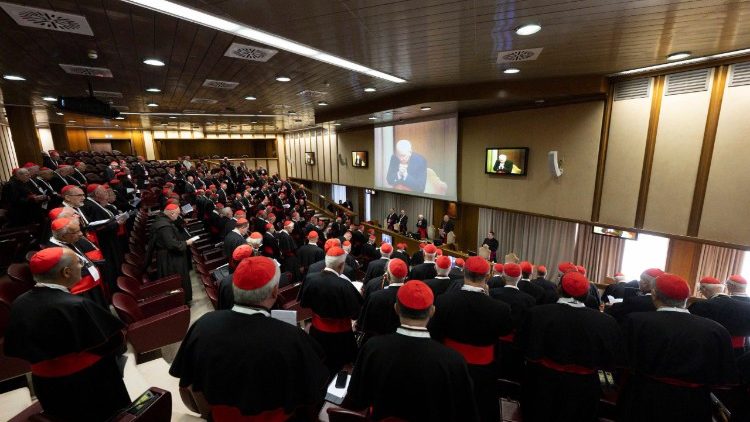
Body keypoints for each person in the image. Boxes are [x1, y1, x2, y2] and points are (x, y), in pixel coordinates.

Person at [170, 256, 329, 420]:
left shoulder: (202, 325)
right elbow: (313, 391)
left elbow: (188, 384)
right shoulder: (292, 337)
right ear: (274, 291)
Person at [5, 248, 130, 421]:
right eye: (78, 263)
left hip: (45, 383)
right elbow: (114, 342)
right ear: (66, 272)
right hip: (89, 382)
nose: (81, 266)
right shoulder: (75, 305)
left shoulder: (18, 303)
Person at [346, 280, 479, 422]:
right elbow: (465, 412)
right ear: (432, 311)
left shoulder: (373, 348)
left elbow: (357, 397)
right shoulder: (453, 361)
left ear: (396, 308)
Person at [618, 273, 738, 422]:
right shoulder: (716, 330)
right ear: (687, 298)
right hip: (694, 403)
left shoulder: (636, 321)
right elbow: (724, 378)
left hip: (645, 397)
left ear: (654, 294)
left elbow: (622, 360)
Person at [516, 271, 624, 422]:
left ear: (559, 289)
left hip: (543, 383)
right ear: (587, 293)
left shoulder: (537, 313)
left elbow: (522, 346)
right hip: (585, 389)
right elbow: (611, 361)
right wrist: (607, 386)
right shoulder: (607, 322)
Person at [428, 256, 513, 422]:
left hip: (449, 367)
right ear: (487, 276)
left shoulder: (444, 301)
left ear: (464, 273)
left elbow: (435, 333)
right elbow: (505, 331)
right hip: (483, 372)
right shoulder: (500, 308)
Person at [299, 246, 363, 374]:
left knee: (320, 361)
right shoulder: (345, 285)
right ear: (341, 265)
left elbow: (304, 303)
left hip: (316, 332)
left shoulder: (310, 278)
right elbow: (356, 314)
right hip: (341, 337)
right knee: (339, 366)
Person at [489, 263, 536, 381]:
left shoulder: (493, 293)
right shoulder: (529, 300)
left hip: (494, 342)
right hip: (516, 344)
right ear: (520, 277)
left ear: (503, 276)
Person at [147, 204, 196, 303]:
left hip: (167, 255)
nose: (178, 217)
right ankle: (180, 301)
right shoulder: (164, 227)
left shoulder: (161, 220)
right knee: (176, 281)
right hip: (170, 258)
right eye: (177, 214)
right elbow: (172, 244)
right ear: (172, 213)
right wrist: (186, 243)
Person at [690, 276, 750, 356]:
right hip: (740, 350)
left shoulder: (701, 306)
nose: (700, 292)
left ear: (704, 289)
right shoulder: (746, 306)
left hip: (711, 349)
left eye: (700, 289)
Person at [357, 259, 409, 342]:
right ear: (406, 276)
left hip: (377, 341)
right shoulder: (411, 296)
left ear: (387, 276)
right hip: (404, 341)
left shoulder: (375, 297)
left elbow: (363, 324)